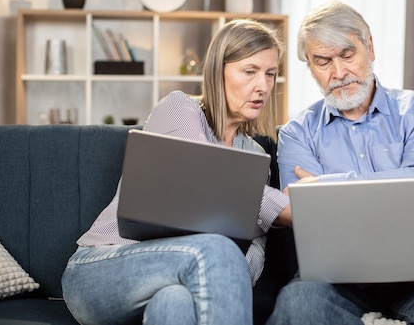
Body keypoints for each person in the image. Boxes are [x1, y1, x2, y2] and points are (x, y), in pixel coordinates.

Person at [266, 1, 414, 325]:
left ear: (370, 47)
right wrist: (401, 179)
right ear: (309, 66)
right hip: (337, 276)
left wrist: (327, 185)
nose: (338, 72)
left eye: (347, 55)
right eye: (323, 61)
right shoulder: (296, 134)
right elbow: (300, 209)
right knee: (297, 308)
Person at [61, 19, 291, 325]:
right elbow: (208, 172)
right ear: (217, 71)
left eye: (270, 74)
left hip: (178, 279)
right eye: (250, 71)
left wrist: (231, 272)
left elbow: (255, 250)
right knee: (218, 249)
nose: (263, 86)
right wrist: (288, 208)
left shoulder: (256, 155)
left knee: (176, 303)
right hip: (102, 267)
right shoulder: (180, 109)